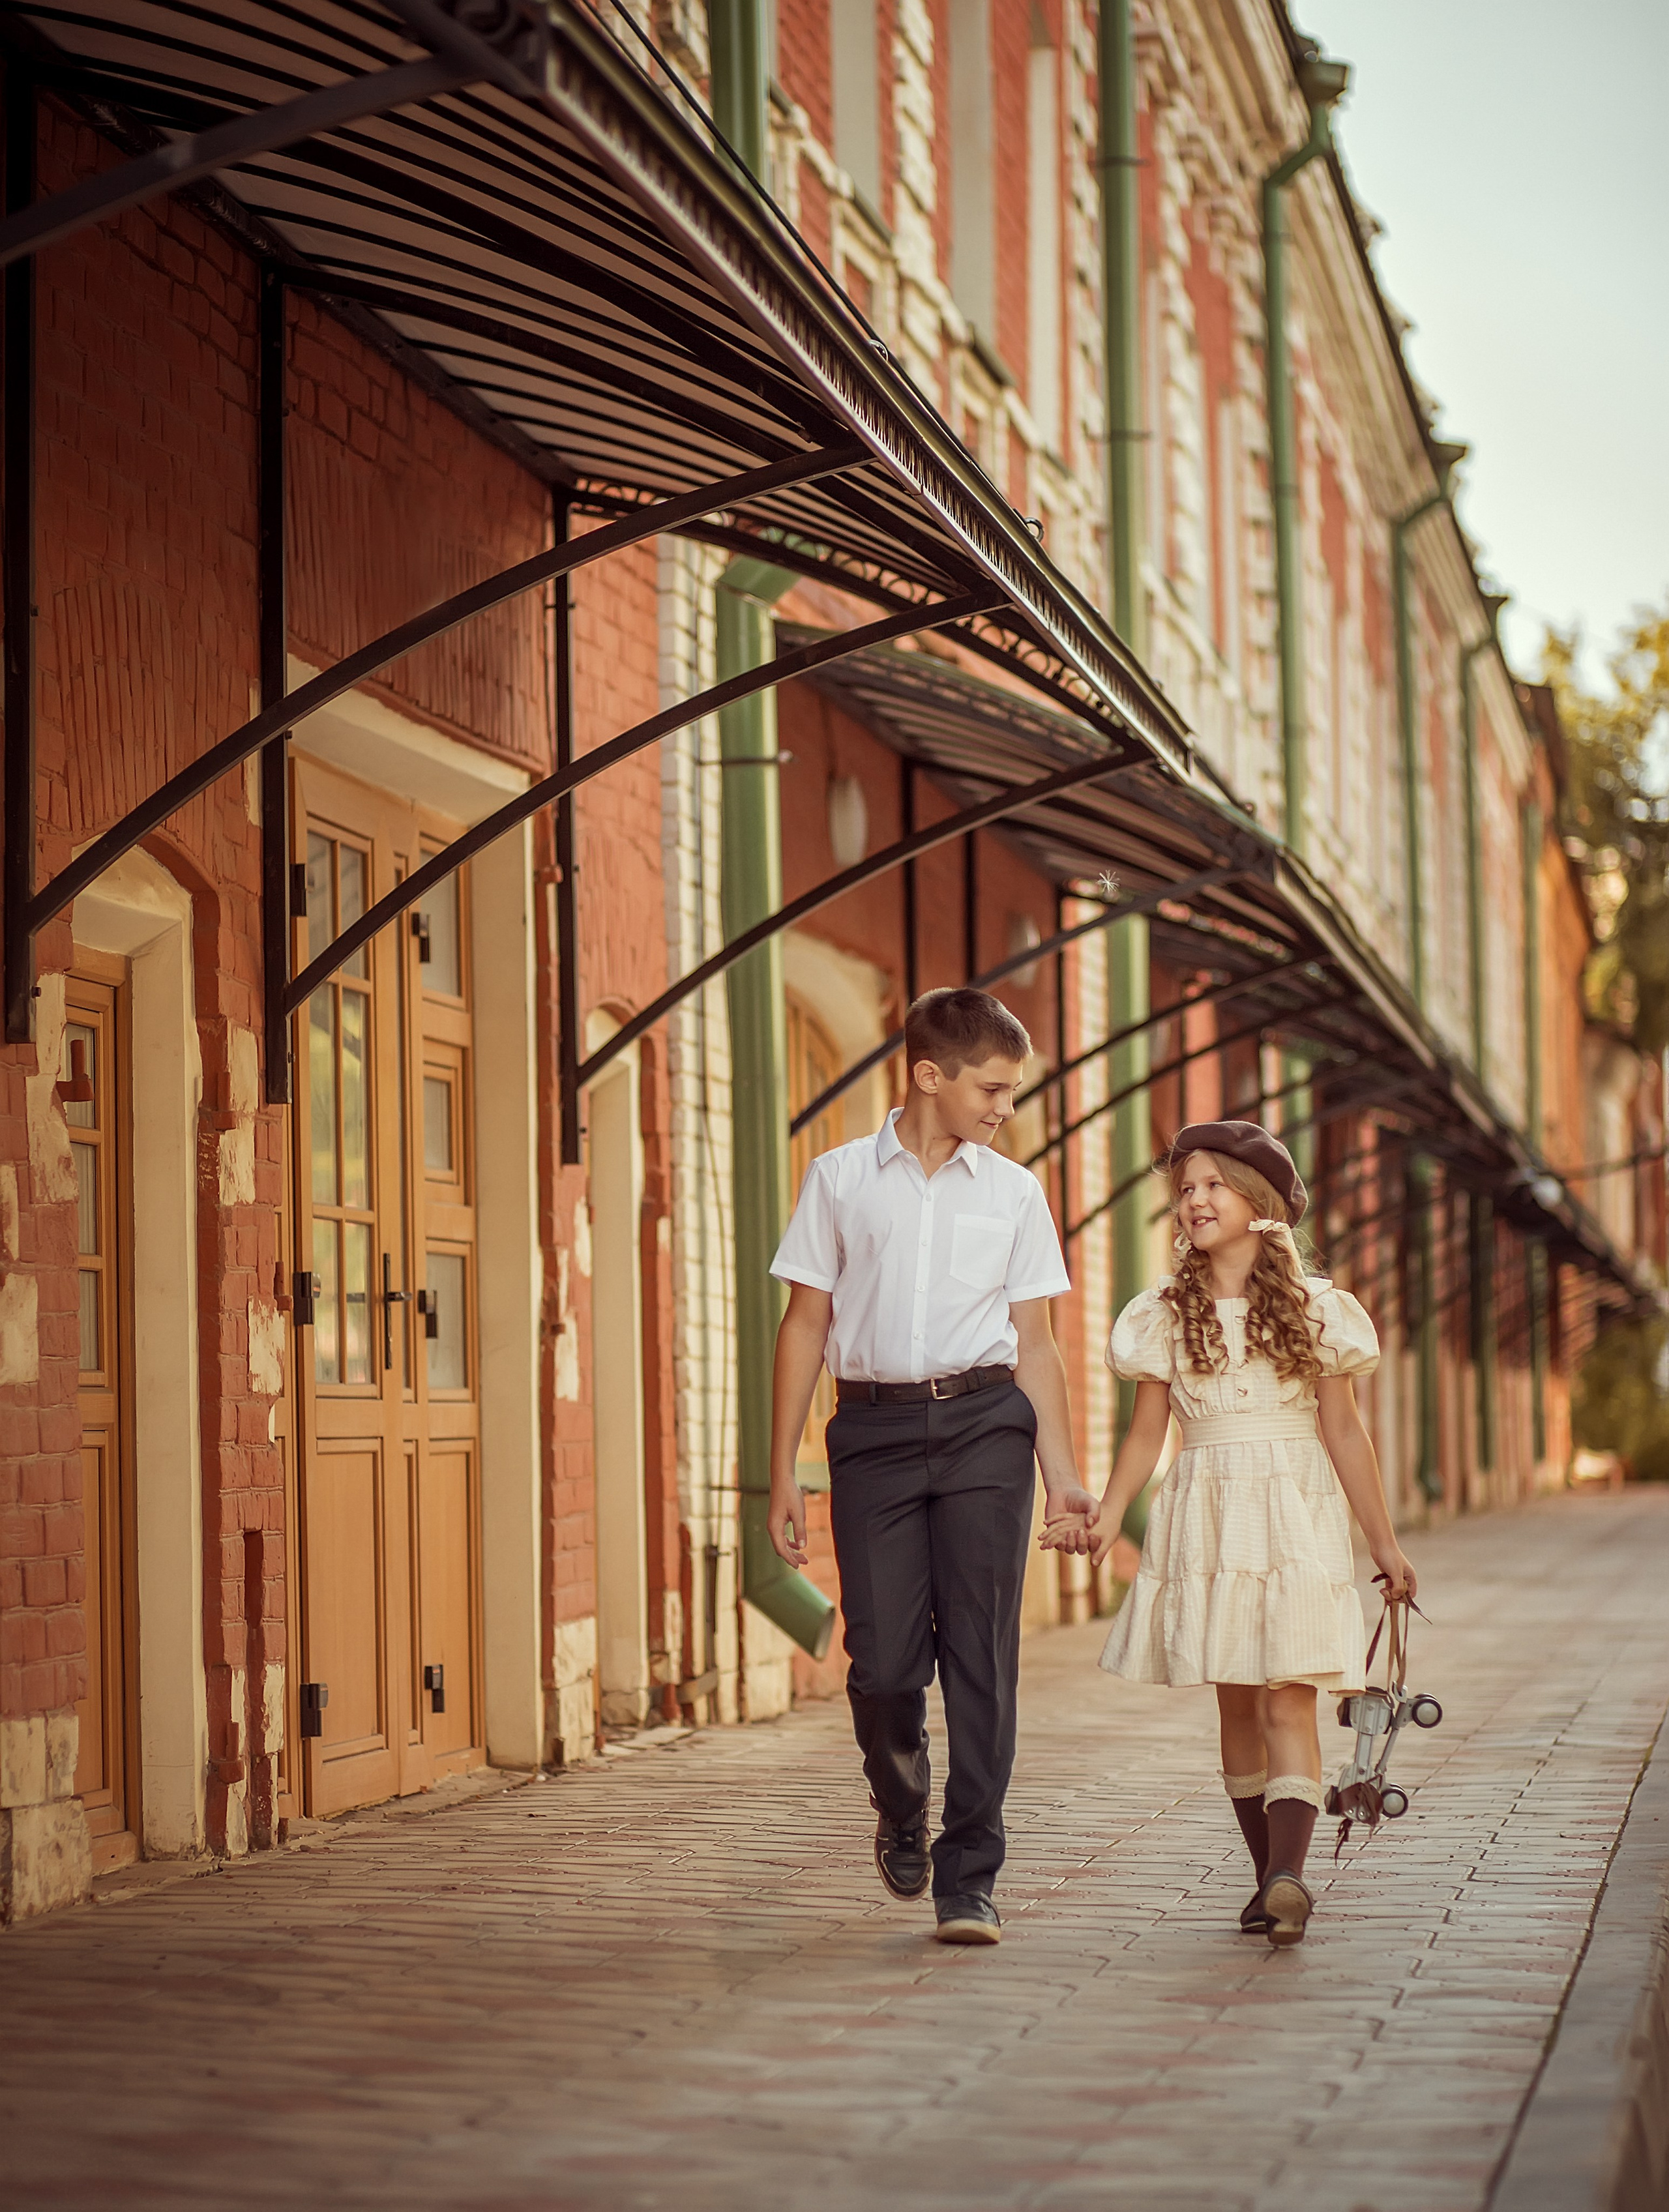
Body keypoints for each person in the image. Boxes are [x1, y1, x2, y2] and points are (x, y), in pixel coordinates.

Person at [767, 987, 1099, 1945]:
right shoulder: (838, 1180)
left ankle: (970, 1876)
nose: (1005, 1106)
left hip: (986, 1427)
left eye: (1010, 1090)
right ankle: (901, 1797)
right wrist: (781, 1468)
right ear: (927, 1075)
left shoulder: (1014, 1193)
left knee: (981, 1657)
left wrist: (1062, 1475)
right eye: (991, 1088)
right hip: (870, 1433)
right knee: (882, 1663)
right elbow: (805, 1325)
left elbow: (1036, 1344)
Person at [1043, 1121, 1417, 1948]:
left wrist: (1384, 1545)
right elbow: (1147, 1433)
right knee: (1239, 1703)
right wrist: (1107, 1514)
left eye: (1213, 1184)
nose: (1195, 1201)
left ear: (1259, 1201)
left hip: (1294, 1511)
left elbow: (1344, 1433)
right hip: (1207, 1510)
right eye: (1184, 1189)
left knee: (1290, 1694)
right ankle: (1268, 1879)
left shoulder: (1318, 1310)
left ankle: (1289, 1875)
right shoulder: (1163, 1313)